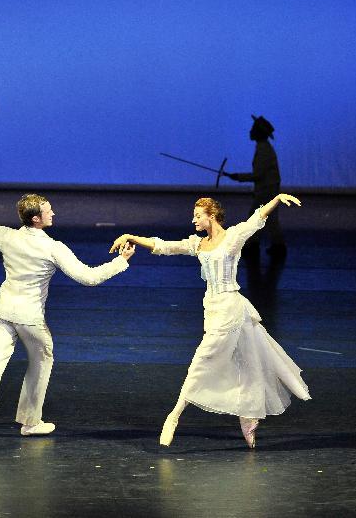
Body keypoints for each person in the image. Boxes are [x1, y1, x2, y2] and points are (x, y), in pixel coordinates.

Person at [0, 194, 136, 451]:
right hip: (30, 319)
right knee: (42, 360)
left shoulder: (7, 236)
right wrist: (121, 261)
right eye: (48, 211)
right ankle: (30, 422)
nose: (53, 213)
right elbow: (88, 277)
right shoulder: (52, 248)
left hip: (3, 313)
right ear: (36, 219)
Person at [109, 194, 310, 449]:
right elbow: (164, 246)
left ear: (211, 216)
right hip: (212, 310)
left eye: (197, 216)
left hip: (230, 308)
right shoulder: (198, 244)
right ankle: (248, 417)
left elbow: (256, 219)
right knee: (245, 361)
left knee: (202, 361)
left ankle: (174, 416)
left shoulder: (232, 237)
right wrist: (131, 236)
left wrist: (277, 199)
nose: (193, 220)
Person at [226, 115, 285, 257]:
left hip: (267, 190)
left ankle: (256, 245)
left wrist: (238, 177)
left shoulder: (264, 150)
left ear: (259, 132)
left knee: (257, 217)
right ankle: (272, 245)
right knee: (266, 218)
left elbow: (258, 175)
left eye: (253, 129)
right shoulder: (263, 148)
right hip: (268, 189)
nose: (250, 131)